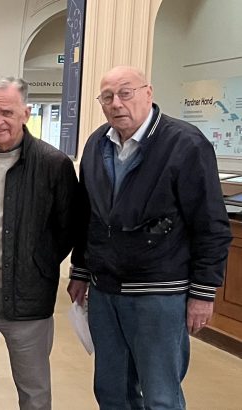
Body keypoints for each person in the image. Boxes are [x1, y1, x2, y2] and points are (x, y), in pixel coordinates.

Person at [68, 66, 231, 409]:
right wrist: (81, 271)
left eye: (125, 93)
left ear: (148, 93)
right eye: (107, 96)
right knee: (112, 392)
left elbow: (211, 224)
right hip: (105, 291)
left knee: (160, 396)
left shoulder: (185, 144)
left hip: (159, 295)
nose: (116, 103)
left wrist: (203, 292)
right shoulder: (98, 144)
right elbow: (89, 218)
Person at [0, 77, 80, 410]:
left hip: (27, 295)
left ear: (26, 112)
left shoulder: (54, 165)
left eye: (6, 112)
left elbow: (69, 228)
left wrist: (36, 264)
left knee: (33, 390)